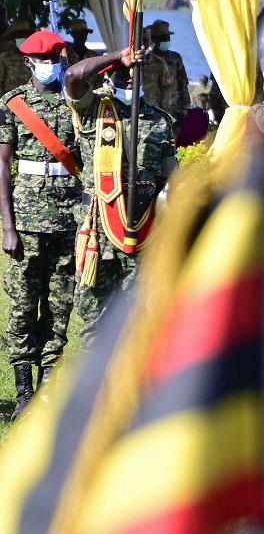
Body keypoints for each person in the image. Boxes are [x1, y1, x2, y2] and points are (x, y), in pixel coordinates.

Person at [65, 43, 178, 342]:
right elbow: (73, 77)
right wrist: (118, 55)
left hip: (143, 228)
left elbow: (172, 179)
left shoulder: (159, 121)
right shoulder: (93, 111)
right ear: (106, 78)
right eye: (120, 73)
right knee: (94, 319)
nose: (129, 78)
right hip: (99, 228)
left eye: (135, 72)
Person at [0, 28, 81, 413]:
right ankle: (22, 393)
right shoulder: (13, 103)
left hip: (68, 219)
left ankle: (47, 388)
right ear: (28, 62)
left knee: (59, 305)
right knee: (21, 305)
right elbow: (2, 165)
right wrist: (8, 225)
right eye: (43, 60)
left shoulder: (76, 105)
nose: (50, 66)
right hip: (27, 222)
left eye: (55, 60)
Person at [136, 18, 191, 123]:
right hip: (150, 113)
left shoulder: (175, 58)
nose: (166, 40)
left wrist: (185, 109)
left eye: (167, 37)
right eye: (162, 38)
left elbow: (183, 85)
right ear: (154, 39)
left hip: (173, 113)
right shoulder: (144, 59)